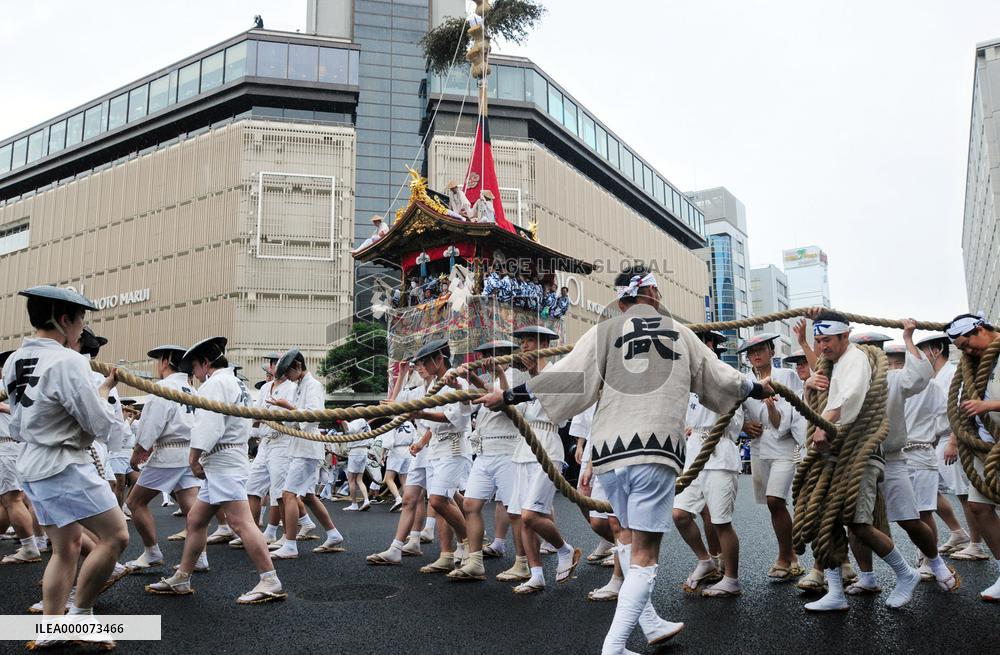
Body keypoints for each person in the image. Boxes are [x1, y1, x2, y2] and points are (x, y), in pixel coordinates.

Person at [478, 266, 774, 653]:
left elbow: (566, 376)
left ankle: (651, 624)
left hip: (607, 455)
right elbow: (723, 379)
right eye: (657, 292)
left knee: (627, 536)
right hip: (653, 451)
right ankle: (614, 648)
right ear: (652, 295)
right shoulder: (680, 333)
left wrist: (508, 395)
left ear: (622, 304)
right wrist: (757, 387)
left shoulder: (604, 332)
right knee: (646, 553)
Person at [802, 314, 957, 612]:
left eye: (872, 349)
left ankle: (935, 563)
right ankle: (866, 577)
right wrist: (809, 386)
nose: (866, 355)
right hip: (849, 458)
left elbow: (921, 376)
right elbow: (818, 408)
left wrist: (908, 338)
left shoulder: (893, 379)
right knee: (844, 520)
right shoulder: (835, 377)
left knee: (908, 518)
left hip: (892, 457)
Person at [4, 286, 128, 642]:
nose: (81, 328)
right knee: (115, 536)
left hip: (33, 462)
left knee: (66, 546)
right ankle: (80, 615)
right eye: (80, 321)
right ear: (63, 320)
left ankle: (51, 628)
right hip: (64, 463)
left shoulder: (14, 360)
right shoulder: (69, 361)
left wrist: (100, 389)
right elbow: (97, 423)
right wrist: (104, 395)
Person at [145, 336, 285, 604]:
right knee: (196, 520)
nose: (195, 375)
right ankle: (182, 576)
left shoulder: (215, 384)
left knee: (240, 522)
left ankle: (270, 579)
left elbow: (209, 424)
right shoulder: (236, 382)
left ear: (205, 362)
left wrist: (194, 457)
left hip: (222, 460)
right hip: (228, 456)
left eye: (195, 368)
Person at [673, 330, 746, 598]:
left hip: (719, 454)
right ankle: (706, 561)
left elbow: (735, 422)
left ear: (709, 344)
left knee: (720, 522)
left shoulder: (726, 374)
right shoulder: (688, 379)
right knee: (679, 514)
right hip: (694, 456)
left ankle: (731, 579)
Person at [447, 340, 527, 582]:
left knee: (515, 510)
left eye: (489, 355)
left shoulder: (519, 376)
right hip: (483, 451)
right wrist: (461, 384)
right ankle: (475, 561)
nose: (485, 360)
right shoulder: (487, 379)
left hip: (507, 449)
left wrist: (500, 374)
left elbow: (508, 404)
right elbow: (469, 407)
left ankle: (522, 563)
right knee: (470, 504)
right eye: (483, 356)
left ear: (503, 355)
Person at [124, 345, 205, 572]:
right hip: (189, 452)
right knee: (191, 506)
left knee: (134, 503)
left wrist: (138, 451)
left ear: (166, 362)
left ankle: (152, 552)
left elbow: (151, 424)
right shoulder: (192, 390)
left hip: (169, 453)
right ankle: (200, 557)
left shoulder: (163, 388)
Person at [737, 333, 804, 580]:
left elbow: (790, 416)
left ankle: (785, 556)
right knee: (773, 505)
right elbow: (736, 412)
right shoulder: (744, 381)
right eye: (751, 352)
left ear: (772, 352)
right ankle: (790, 555)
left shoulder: (786, 376)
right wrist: (744, 426)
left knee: (776, 500)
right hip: (758, 446)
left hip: (784, 446)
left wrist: (771, 407)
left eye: (761, 350)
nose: (756, 355)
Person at [267, 349, 345, 558]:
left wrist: (288, 408)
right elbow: (296, 418)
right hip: (301, 447)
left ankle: (290, 544)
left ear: (298, 366)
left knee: (288, 494)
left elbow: (313, 416)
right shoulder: (300, 385)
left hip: (307, 449)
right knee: (308, 496)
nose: (286, 377)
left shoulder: (313, 385)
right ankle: (333, 534)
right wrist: (285, 412)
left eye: (288, 372)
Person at [946, 312, 1000, 600]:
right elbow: (964, 403)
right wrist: (957, 437)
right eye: (961, 348)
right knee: (979, 507)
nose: (967, 351)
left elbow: (982, 404)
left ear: (980, 328)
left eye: (967, 344)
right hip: (984, 446)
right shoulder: (976, 363)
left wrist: (989, 406)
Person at [407, 339, 472, 573]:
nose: (422, 366)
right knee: (443, 503)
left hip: (454, 447)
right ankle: (446, 554)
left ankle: (469, 544)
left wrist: (421, 413)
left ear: (439, 359)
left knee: (438, 500)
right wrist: (421, 441)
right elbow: (431, 425)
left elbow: (455, 418)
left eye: (425, 361)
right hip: (436, 449)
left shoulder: (458, 382)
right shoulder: (433, 385)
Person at [918, 332, 983, 559]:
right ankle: (957, 532)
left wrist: (953, 442)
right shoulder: (934, 377)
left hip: (953, 439)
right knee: (929, 491)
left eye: (923, 352)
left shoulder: (952, 374)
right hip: (937, 441)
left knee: (965, 494)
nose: (921, 357)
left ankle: (976, 544)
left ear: (935, 350)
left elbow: (960, 409)